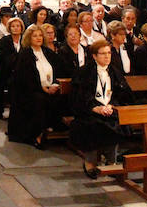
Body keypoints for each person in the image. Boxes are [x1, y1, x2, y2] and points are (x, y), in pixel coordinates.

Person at [69, 40, 135, 178]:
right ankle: (90, 162)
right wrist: (95, 108)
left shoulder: (115, 71)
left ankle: (111, 160)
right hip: (88, 111)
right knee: (92, 125)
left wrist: (112, 105)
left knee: (116, 122)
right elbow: (79, 96)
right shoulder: (84, 72)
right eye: (103, 54)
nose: (107, 57)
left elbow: (124, 94)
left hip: (110, 109)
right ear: (94, 56)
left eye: (109, 53)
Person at [7, 26, 67, 148]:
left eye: (40, 35)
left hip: (51, 87)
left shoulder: (47, 52)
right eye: (35, 36)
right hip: (30, 91)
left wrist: (55, 84)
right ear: (29, 38)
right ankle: (37, 134)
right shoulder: (25, 54)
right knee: (39, 100)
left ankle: (54, 127)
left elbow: (60, 70)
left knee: (63, 98)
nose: (38, 38)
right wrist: (43, 88)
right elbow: (23, 78)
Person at [0, 17, 25, 120]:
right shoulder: (4, 41)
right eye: (13, 26)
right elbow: (2, 57)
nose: (15, 28)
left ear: (22, 28)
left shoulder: (25, 40)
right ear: (9, 28)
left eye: (18, 26)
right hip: (5, 71)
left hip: (21, 70)